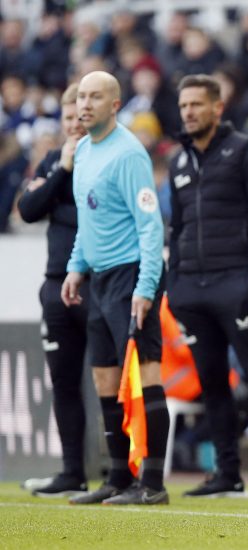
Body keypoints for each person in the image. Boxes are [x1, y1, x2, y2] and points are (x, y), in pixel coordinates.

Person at [166, 74, 248, 498]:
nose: (188, 112)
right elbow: (177, 229)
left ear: (217, 107)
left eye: (196, 105)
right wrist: (175, 287)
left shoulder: (246, 151)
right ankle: (228, 474)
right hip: (194, 292)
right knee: (211, 383)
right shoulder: (179, 161)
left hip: (237, 286)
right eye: (184, 105)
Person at [61, 71, 169, 505]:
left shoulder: (129, 155)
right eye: (81, 96)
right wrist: (75, 267)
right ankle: (119, 476)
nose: (85, 104)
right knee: (105, 377)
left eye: (95, 97)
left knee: (144, 377)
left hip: (131, 275)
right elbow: (90, 222)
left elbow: (150, 226)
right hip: (100, 277)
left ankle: (155, 482)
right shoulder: (84, 150)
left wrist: (145, 287)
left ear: (115, 105)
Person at [17, 83, 90, 497]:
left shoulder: (108, 158)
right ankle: (71, 471)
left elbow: (91, 213)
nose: (73, 125)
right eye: (67, 119)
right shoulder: (52, 160)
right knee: (63, 381)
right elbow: (28, 210)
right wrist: (61, 168)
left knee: (110, 378)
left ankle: (125, 471)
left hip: (98, 281)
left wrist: (57, 205)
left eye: (79, 117)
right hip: (55, 281)